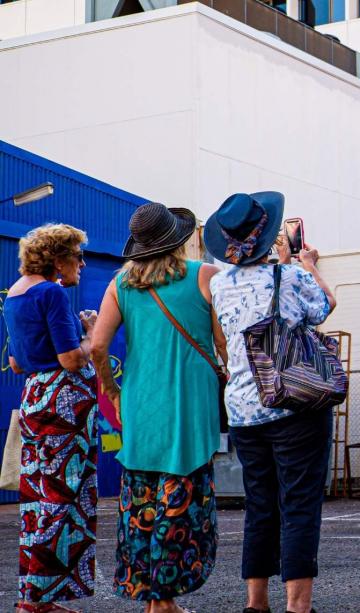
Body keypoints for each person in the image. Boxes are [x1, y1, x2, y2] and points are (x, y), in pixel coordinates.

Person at [206, 192, 337, 613]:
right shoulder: (291, 278)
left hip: (243, 409)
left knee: (259, 505)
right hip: (294, 403)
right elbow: (325, 307)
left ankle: (255, 602)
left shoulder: (219, 284)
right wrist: (308, 264)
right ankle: (298, 607)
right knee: (298, 502)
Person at [89, 203, 222, 613]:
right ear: (178, 240)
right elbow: (223, 343)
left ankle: (152, 600)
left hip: (140, 406)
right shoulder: (204, 275)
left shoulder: (120, 284)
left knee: (141, 504)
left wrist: (112, 392)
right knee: (179, 501)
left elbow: (97, 345)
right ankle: (164, 603)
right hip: (188, 406)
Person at [3, 224, 97, 613]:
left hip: (36, 399)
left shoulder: (15, 294)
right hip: (63, 404)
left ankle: (34, 595)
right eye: (77, 256)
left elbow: (15, 361)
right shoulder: (52, 293)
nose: (82, 263)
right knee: (63, 496)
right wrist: (91, 333)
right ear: (58, 259)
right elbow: (73, 359)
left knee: (38, 496)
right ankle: (40, 599)